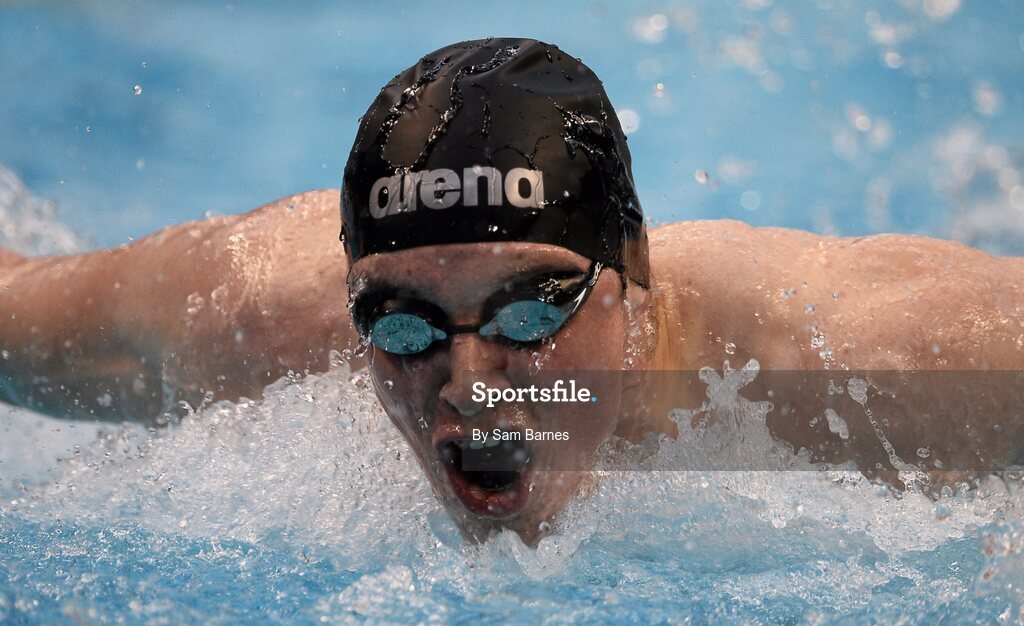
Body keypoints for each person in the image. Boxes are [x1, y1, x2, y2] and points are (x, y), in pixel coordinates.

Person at [1, 38, 1022, 543]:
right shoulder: (247, 317)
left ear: (640, 287)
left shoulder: (868, 366)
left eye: (531, 312)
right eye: (400, 323)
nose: (467, 387)